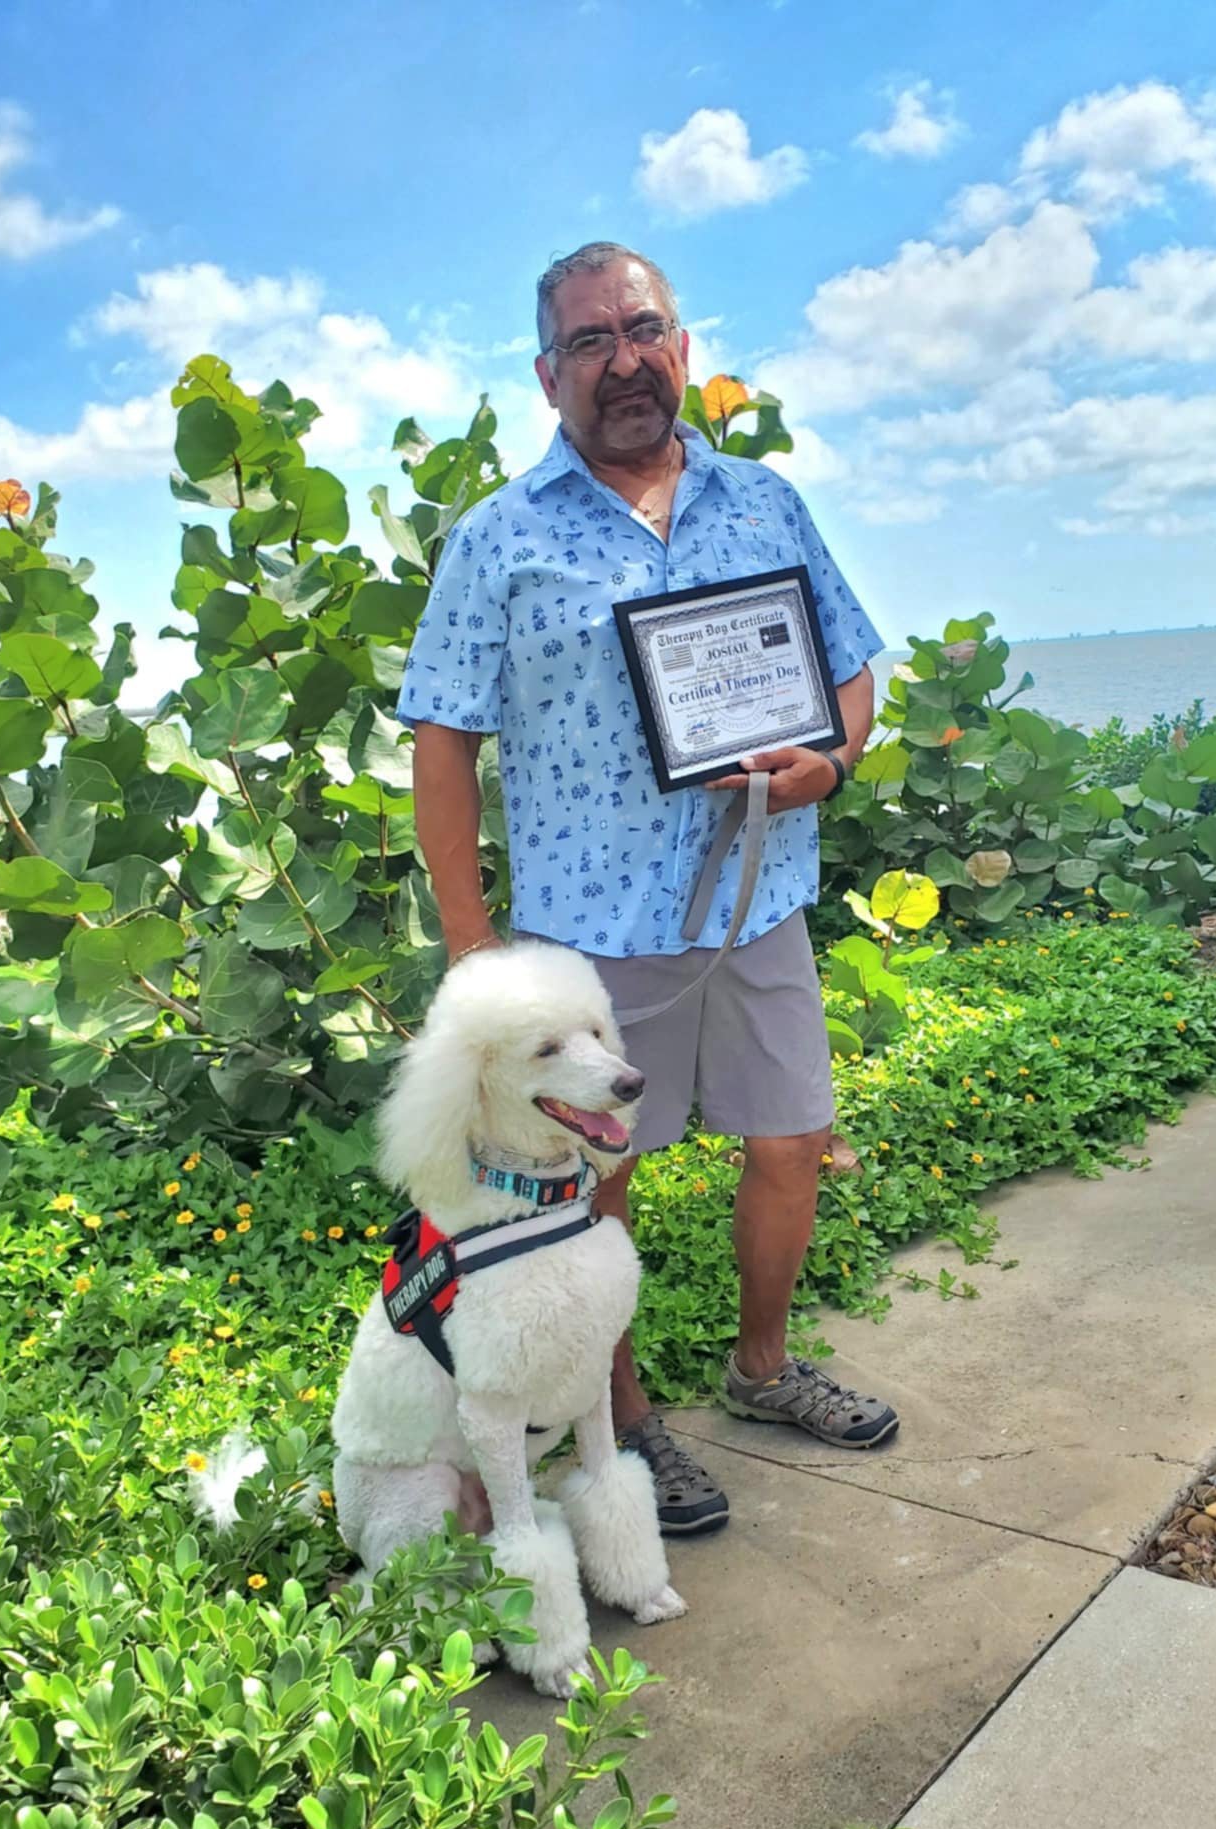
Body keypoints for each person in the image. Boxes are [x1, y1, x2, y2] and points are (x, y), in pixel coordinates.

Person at [398, 241, 899, 1538]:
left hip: (759, 899)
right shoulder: (498, 539)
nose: (621, 361)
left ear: (680, 347)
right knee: (596, 1185)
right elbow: (443, 743)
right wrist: (471, 943)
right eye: (588, 341)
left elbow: (850, 663)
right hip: (592, 934)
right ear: (546, 373)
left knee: (790, 1142)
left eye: (640, 331)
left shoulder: (763, 502)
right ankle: (623, 1424)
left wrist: (832, 763)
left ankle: (764, 1370)